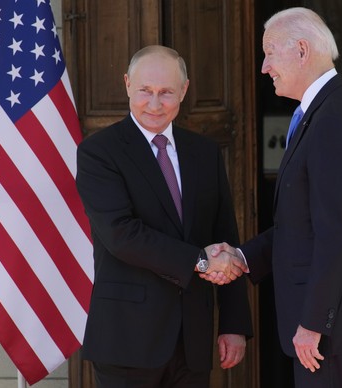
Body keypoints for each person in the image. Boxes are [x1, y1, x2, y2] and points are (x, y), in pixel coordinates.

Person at [204, 7, 342, 388]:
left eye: (270, 52)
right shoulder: (322, 112)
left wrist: (313, 323)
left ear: (302, 51)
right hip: (333, 328)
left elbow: (335, 231)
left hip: (334, 330)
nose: (264, 67)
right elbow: (303, 225)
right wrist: (242, 258)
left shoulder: (333, 121)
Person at [76, 45, 253, 388]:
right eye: (145, 91)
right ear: (128, 84)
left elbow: (225, 235)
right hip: (126, 341)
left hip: (193, 340)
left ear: (184, 91)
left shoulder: (204, 152)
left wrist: (234, 323)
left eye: (166, 93)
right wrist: (199, 261)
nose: (154, 104)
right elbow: (122, 235)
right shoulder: (99, 152)